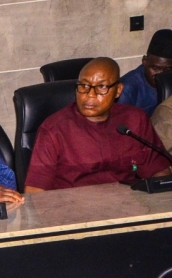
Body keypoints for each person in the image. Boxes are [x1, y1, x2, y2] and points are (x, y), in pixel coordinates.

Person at [26, 58, 170, 192]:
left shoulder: (135, 120)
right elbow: (35, 191)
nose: (90, 95)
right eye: (84, 86)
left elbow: (159, 171)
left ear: (118, 90)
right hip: (75, 211)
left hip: (128, 207)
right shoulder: (54, 129)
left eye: (101, 87)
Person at [117, 29, 172, 117]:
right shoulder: (128, 88)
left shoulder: (169, 79)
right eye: (155, 68)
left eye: (167, 70)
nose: (160, 75)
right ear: (144, 61)